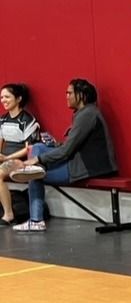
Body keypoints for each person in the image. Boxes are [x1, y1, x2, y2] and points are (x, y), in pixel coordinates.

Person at [11, 77, 117, 231]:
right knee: (38, 148)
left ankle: (36, 220)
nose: (66, 97)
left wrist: (37, 160)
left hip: (89, 167)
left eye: (70, 93)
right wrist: (53, 146)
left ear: (82, 95)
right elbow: (70, 146)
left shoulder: (87, 115)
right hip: (80, 162)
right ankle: (35, 218)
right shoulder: (84, 113)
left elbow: (67, 151)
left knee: (33, 173)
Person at [0, 83, 41, 224]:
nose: (3, 100)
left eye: (7, 97)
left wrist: (7, 157)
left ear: (18, 99)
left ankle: (8, 214)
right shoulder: (3, 119)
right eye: (1, 97)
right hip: (4, 158)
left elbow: (28, 148)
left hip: (20, 161)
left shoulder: (28, 120)